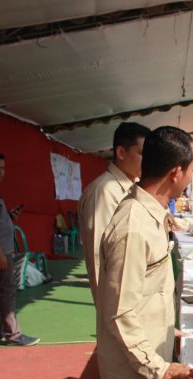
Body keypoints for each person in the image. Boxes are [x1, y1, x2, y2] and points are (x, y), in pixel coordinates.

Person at [96, 126, 193, 379]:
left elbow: (144, 293)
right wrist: (160, 368)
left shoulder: (148, 214)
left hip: (146, 361)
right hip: (139, 376)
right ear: (176, 172)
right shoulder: (134, 226)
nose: (192, 178)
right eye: (192, 170)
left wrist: (167, 328)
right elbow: (120, 312)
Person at [78, 122, 149, 305]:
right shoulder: (104, 191)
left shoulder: (131, 186)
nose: (148, 160)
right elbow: (97, 257)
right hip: (118, 305)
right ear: (121, 153)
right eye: (142, 153)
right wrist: (110, 311)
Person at [0, 152, 39, 346]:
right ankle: (13, 334)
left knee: (1, 290)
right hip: (0, 250)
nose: (0, 172)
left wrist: (10, 218)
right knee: (6, 290)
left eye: (3, 168)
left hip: (3, 248)